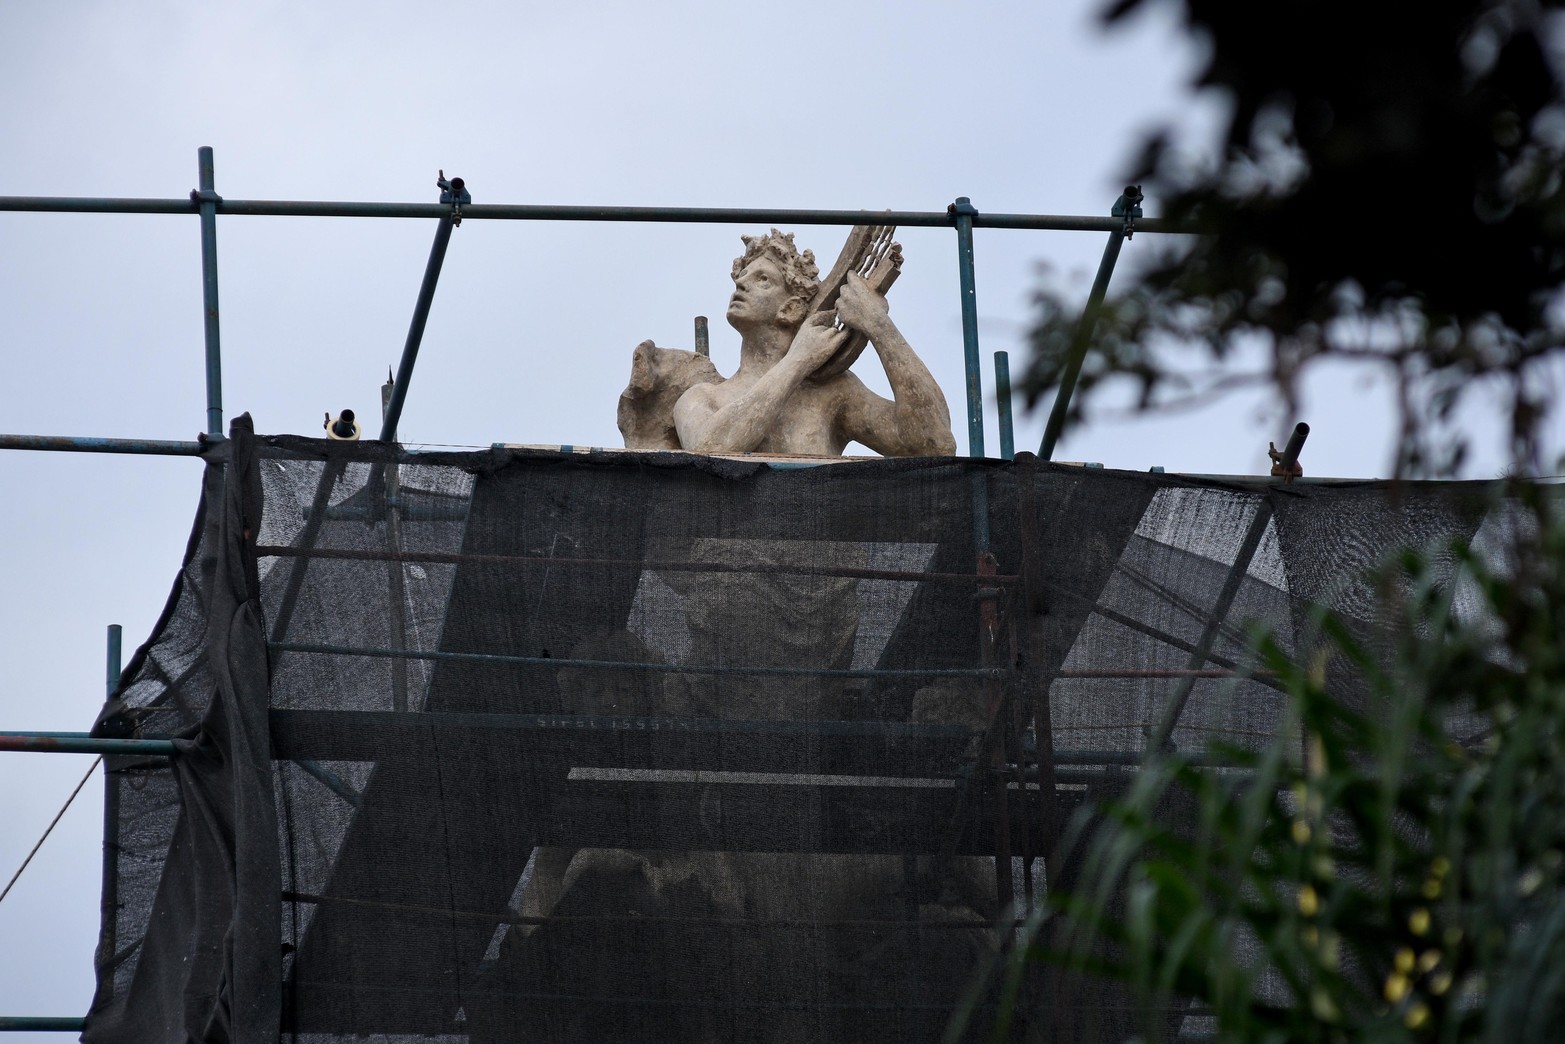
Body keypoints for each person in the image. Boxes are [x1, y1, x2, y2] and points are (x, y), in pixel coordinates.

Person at [653, 229, 956, 457]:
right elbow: (710, 451)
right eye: (741, 277)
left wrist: (879, 326)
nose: (741, 283)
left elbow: (934, 442)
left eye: (762, 279)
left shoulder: (835, 393)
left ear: (791, 309)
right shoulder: (699, 399)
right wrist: (798, 361)